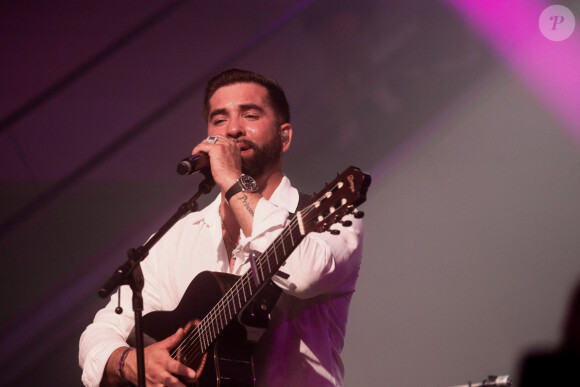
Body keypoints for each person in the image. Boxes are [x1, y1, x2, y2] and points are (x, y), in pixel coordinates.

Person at [79, 69, 364, 386]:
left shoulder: (334, 215)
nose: (232, 129)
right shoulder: (177, 236)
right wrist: (127, 361)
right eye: (219, 119)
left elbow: (303, 274)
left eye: (250, 115)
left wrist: (232, 181)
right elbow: (104, 327)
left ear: (285, 137)